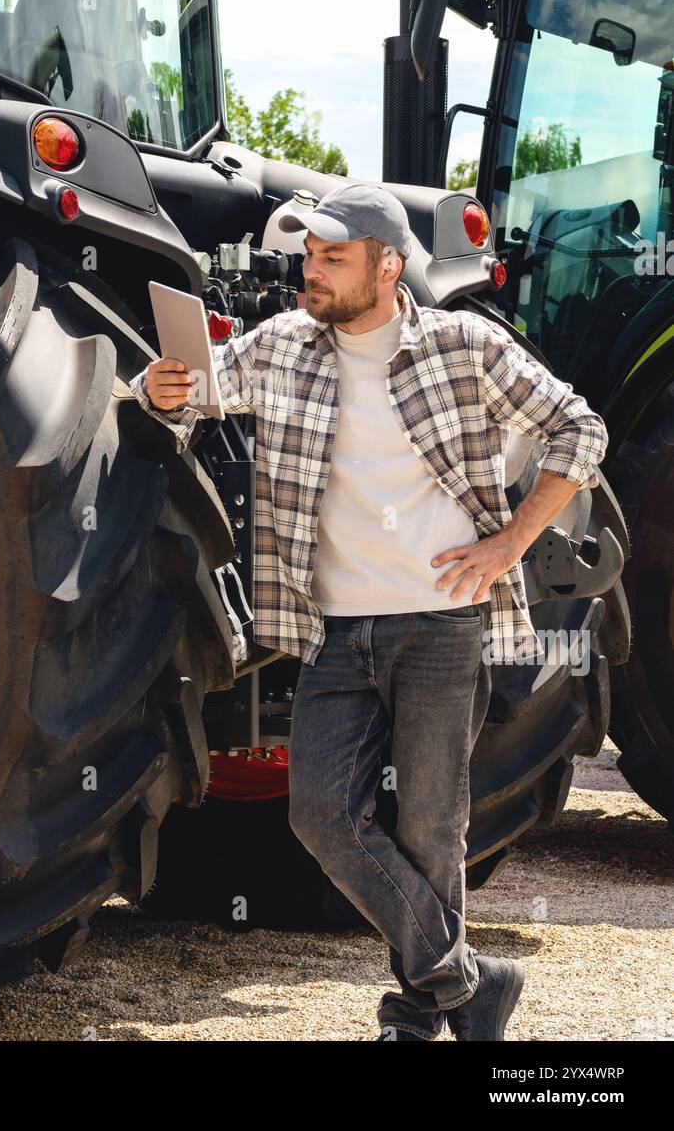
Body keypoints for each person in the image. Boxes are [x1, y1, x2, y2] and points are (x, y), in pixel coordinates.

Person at [127, 181, 609, 1041]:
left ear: (389, 269)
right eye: (310, 254)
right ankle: (469, 980)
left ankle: (420, 1016)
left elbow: (580, 430)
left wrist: (509, 546)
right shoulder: (282, 346)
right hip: (336, 635)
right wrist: (158, 388)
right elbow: (194, 390)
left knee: (431, 828)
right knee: (318, 814)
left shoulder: (462, 346)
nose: (311, 270)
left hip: (440, 626)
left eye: (333, 258)